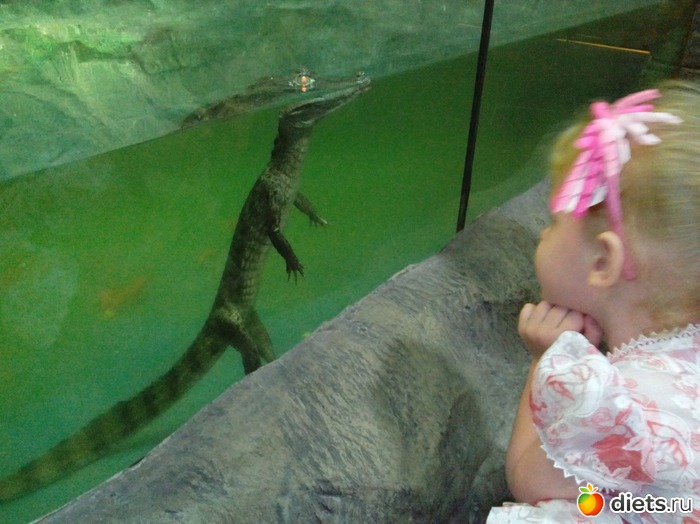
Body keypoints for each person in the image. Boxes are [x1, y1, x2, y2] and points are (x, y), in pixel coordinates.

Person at [487, 81, 700, 523]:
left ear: (603, 261)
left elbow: (529, 480)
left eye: (553, 221)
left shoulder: (610, 405)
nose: (542, 233)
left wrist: (547, 359)